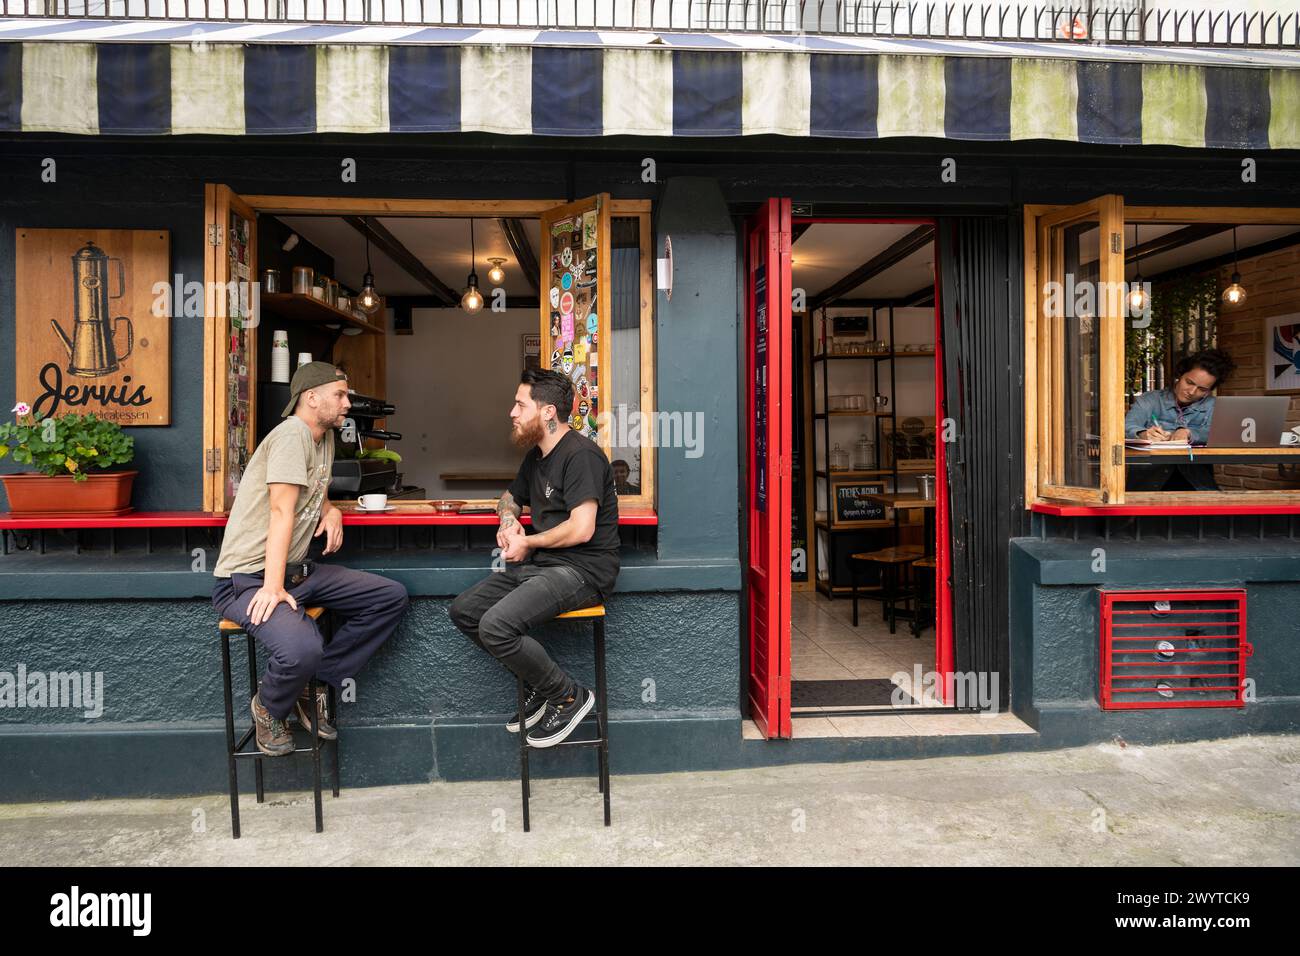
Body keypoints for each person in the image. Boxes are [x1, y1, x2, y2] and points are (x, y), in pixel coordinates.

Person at [212, 362, 409, 756]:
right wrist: (272, 586)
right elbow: (281, 511)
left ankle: (311, 684)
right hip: (248, 579)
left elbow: (310, 489)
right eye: (340, 395)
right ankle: (268, 707)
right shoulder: (291, 436)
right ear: (311, 398)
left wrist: (330, 509)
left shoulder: (323, 438)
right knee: (302, 649)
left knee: (389, 597)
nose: (348, 403)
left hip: (300, 575)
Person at [449, 368, 620, 749]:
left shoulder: (581, 456)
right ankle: (542, 688)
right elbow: (509, 498)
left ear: (547, 413)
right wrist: (509, 523)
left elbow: (582, 528)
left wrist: (529, 543)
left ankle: (569, 696)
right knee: (465, 611)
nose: (512, 412)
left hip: (583, 570)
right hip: (543, 566)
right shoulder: (537, 456)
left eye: (520, 404)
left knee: (495, 626)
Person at [1124, 347, 1236, 491]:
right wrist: (1142, 434)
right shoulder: (1150, 400)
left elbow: (1221, 433)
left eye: (1202, 389)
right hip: (1147, 483)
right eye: (1189, 382)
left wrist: (1189, 433)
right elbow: (1127, 425)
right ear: (1179, 375)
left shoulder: (1213, 406)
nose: (1191, 392)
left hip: (1197, 485)